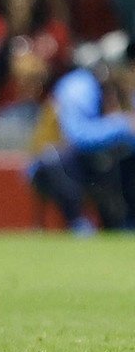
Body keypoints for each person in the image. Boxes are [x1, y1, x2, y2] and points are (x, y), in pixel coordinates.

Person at [28, 31, 135, 234]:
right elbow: (77, 135)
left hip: (100, 165)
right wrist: (121, 125)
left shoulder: (123, 89)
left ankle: (126, 223)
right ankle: (78, 224)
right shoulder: (79, 85)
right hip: (55, 164)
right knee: (59, 158)